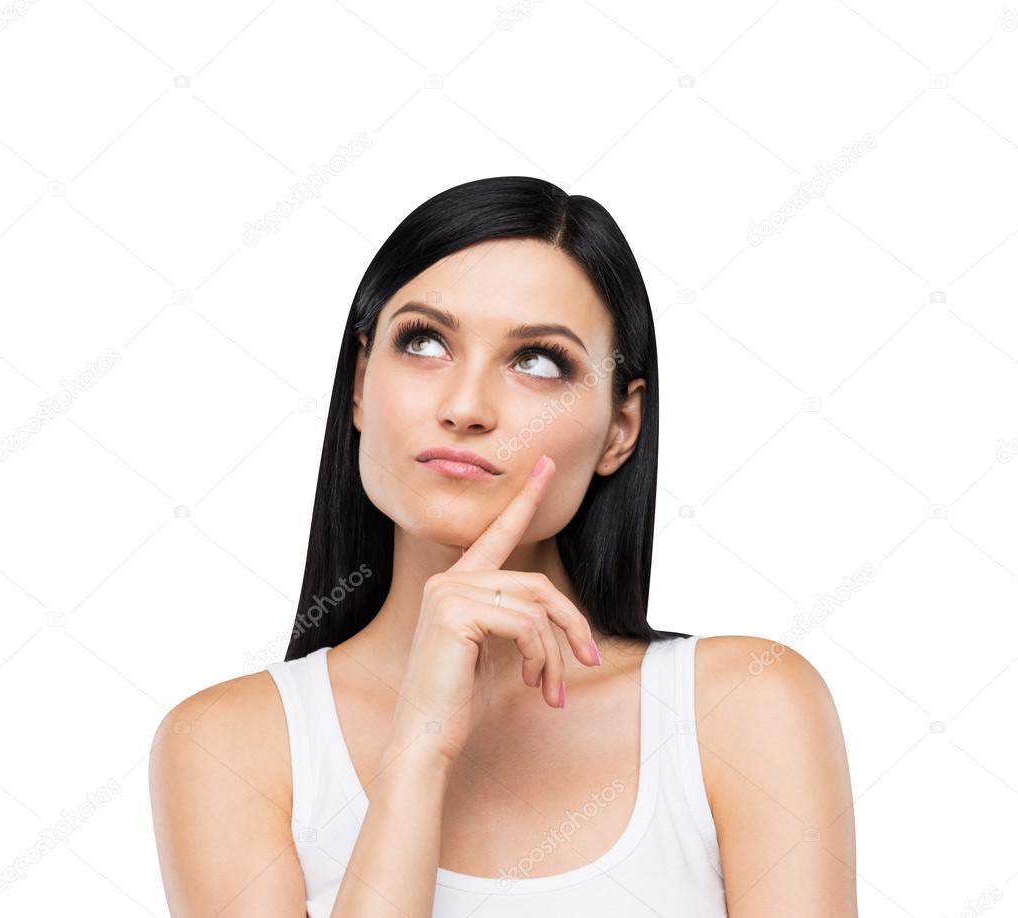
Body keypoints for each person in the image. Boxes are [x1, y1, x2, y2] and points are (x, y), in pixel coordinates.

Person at [149, 176, 858, 917]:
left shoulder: (742, 706)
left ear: (620, 427)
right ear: (359, 383)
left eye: (539, 362)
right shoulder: (229, 747)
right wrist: (418, 749)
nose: (464, 407)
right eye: (423, 343)